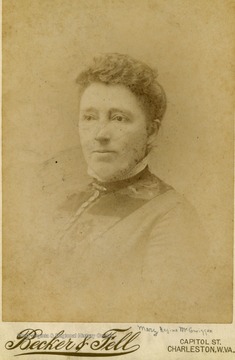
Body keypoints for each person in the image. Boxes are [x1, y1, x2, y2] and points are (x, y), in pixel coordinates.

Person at [26, 53, 219, 323]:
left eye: (118, 119)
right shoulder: (67, 200)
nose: (100, 134)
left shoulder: (172, 216)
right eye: (90, 117)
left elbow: (163, 331)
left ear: (151, 132)